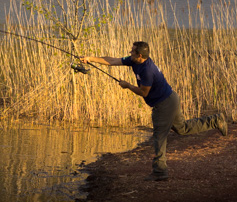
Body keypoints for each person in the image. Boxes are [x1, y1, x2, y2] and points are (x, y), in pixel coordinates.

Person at [80, 41, 227, 181]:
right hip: (171, 98)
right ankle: (215, 120)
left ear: (140, 56)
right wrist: (90, 59)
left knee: (159, 136)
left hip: (164, 103)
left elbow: (144, 93)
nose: (129, 52)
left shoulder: (147, 71)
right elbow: (112, 61)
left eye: (132, 51)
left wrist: (128, 85)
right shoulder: (134, 60)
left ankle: (160, 171)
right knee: (183, 129)